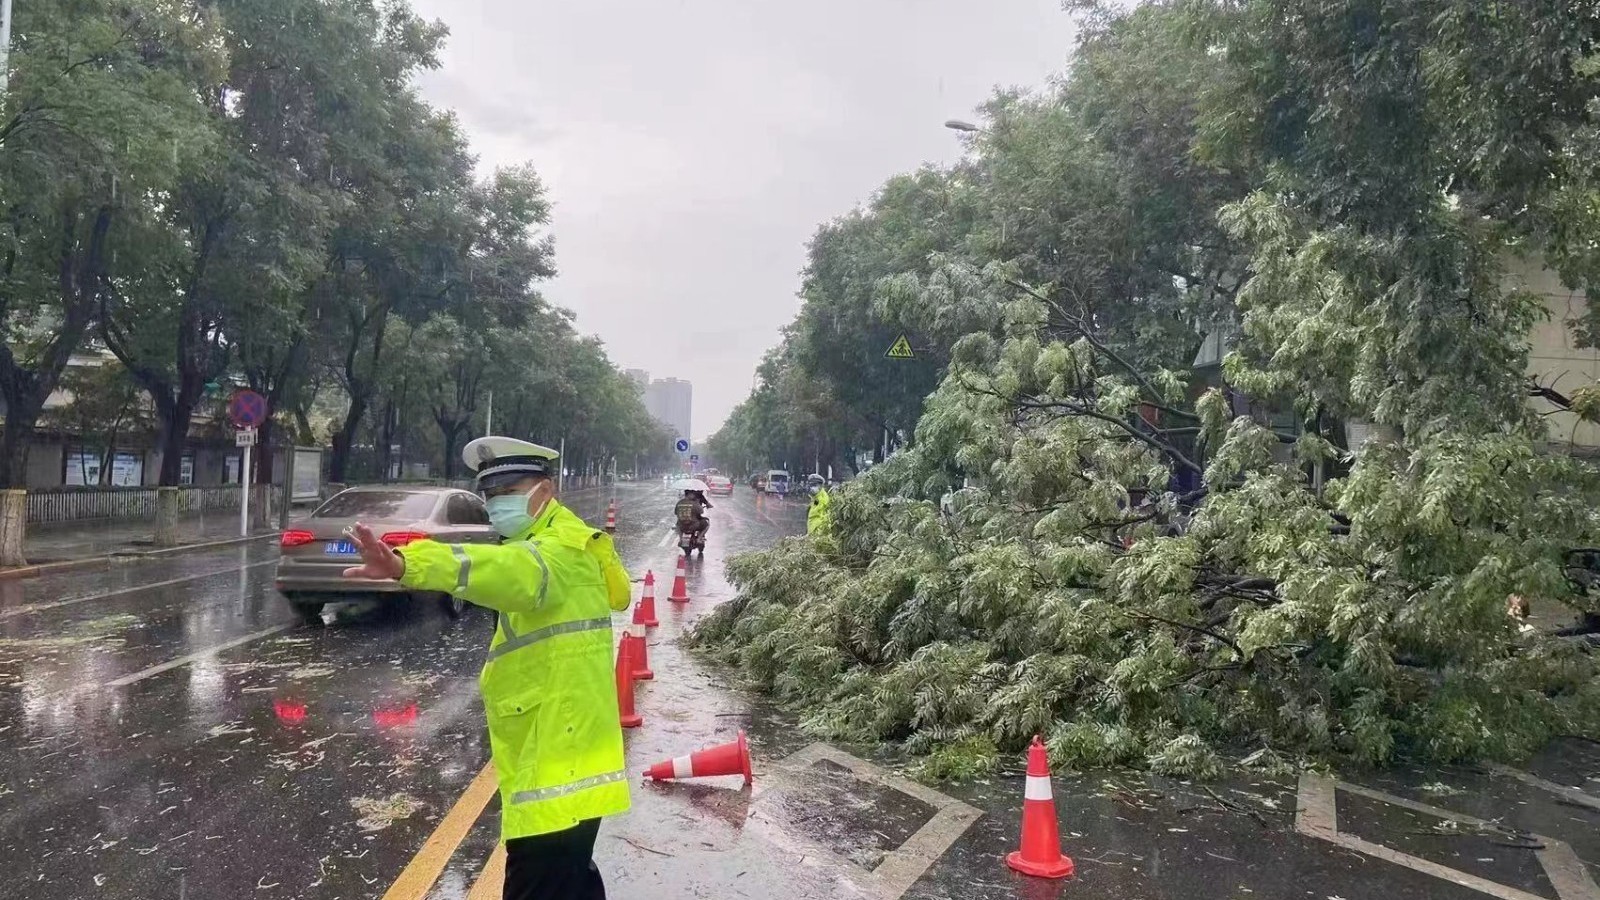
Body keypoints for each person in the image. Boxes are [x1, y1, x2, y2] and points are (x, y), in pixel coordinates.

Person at [341, 437, 631, 900]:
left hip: (555, 754)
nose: (498, 504)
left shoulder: (555, 553)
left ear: (545, 491)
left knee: (537, 883)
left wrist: (405, 565)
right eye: (491, 495)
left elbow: (504, 570)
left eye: (510, 491)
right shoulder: (561, 537)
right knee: (572, 877)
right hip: (566, 742)